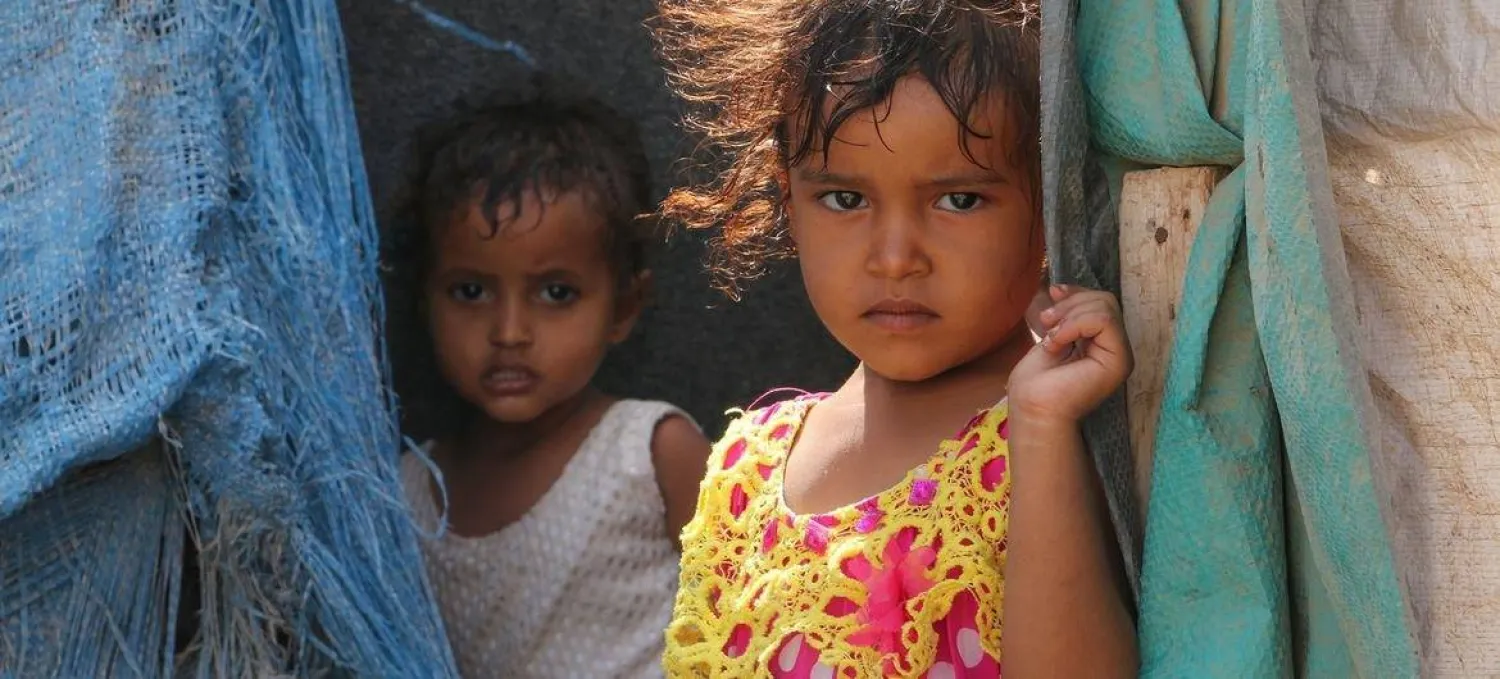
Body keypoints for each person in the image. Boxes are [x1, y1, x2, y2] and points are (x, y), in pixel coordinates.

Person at [650, 1, 1138, 676]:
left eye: (958, 199)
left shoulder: (1045, 433)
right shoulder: (743, 470)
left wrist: (1043, 426)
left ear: (1053, 203)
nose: (896, 256)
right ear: (788, 201)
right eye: (846, 200)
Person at [385, 86, 712, 679]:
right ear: (423, 301)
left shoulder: (648, 453)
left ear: (623, 308)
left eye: (556, 293)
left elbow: (750, 622)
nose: (509, 332)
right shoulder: (408, 494)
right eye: (471, 292)